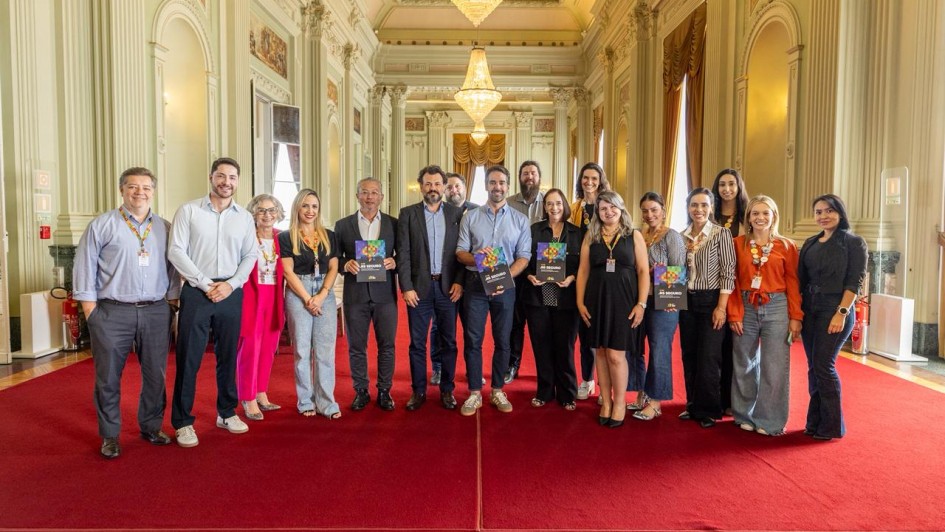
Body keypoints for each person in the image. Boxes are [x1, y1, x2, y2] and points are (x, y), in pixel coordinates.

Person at [73, 167, 180, 458]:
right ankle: (109, 435)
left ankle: (151, 426)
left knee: (156, 375)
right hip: (111, 312)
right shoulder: (103, 225)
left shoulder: (165, 227)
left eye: (146, 187)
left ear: (153, 192)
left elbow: (173, 270)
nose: (140, 192)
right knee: (108, 378)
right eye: (133, 187)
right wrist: (91, 311)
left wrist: (171, 304)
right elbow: (85, 266)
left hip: (156, 311)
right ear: (122, 190)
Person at [168, 157, 257, 447]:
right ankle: (182, 421)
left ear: (237, 181)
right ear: (211, 177)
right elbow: (176, 251)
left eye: (232, 177)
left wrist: (230, 285)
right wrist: (206, 284)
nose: (226, 182)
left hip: (231, 292)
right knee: (189, 357)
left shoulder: (244, 217)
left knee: (228, 356)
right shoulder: (189, 211)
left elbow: (250, 256)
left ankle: (227, 411)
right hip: (197, 290)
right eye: (221, 176)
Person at [455, 164, 531, 416]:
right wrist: (475, 256)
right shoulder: (471, 217)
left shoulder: (520, 220)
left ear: (507, 187)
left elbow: (524, 256)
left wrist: (505, 276)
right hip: (476, 285)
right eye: (492, 183)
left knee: (503, 339)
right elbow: (460, 252)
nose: (497, 187)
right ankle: (475, 392)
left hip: (505, 286)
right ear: (486, 186)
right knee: (473, 339)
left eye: (501, 183)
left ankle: (498, 389)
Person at [727, 195, 803, 436]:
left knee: (775, 365)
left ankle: (770, 420)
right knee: (744, 361)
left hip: (777, 305)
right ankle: (743, 414)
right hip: (746, 304)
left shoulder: (786, 246)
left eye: (765, 213)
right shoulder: (737, 243)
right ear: (748, 218)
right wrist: (734, 313)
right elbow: (732, 281)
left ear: (773, 217)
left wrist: (795, 316)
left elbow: (793, 282)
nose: (760, 218)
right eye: (755, 213)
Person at [576, 191, 649, 428]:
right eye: (603, 208)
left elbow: (643, 271)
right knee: (600, 352)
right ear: (598, 211)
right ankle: (605, 401)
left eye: (612, 207)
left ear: (621, 208)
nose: (608, 212)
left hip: (624, 302)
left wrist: (641, 304)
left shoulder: (633, 235)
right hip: (596, 300)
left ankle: (619, 402)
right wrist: (579, 302)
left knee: (616, 355)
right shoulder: (591, 235)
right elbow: (583, 271)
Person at [798, 194, 867, 441]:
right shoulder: (810, 243)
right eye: (818, 211)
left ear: (840, 212)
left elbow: (854, 281)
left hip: (835, 310)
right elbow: (801, 280)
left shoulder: (853, 242)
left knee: (824, 366)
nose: (823, 216)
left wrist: (841, 312)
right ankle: (814, 421)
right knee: (813, 367)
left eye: (829, 211)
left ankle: (831, 426)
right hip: (810, 310)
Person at [397, 165, 465, 411]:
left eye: (437, 184)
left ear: (444, 187)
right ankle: (418, 391)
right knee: (417, 343)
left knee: (449, 341)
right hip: (419, 290)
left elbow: (461, 252)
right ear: (421, 186)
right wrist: (406, 287)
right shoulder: (408, 214)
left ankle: (447, 390)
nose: (433, 188)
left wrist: (459, 281)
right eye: (428, 184)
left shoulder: (457, 214)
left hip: (448, 288)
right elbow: (403, 253)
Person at [335, 177, 399, 411]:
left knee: (387, 345)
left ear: (381, 197)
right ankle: (361, 390)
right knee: (356, 346)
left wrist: (396, 261)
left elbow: (404, 256)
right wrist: (346, 264)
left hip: (385, 296)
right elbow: (334, 258)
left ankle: (384, 390)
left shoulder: (394, 224)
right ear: (357, 196)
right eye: (364, 192)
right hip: (356, 295)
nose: (369, 197)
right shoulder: (343, 225)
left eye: (374, 192)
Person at [279, 189, 341, 419]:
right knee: (302, 351)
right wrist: (307, 299)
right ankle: (305, 401)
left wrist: (323, 294)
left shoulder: (329, 235)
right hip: (298, 292)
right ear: (297, 207)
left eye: (314, 206)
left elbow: (334, 267)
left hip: (324, 291)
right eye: (305, 206)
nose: (310, 211)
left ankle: (327, 402)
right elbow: (287, 271)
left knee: (325, 351)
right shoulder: (286, 237)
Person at [678, 187, 736, 428]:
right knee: (689, 354)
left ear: (711, 207)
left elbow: (728, 272)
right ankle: (692, 404)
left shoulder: (721, 234)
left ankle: (710, 409)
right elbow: (677, 270)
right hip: (686, 301)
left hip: (712, 300)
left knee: (710, 356)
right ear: (688, 208)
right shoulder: (681, 236)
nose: (698, 210)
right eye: (694, 205)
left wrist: (721, 307)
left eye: (703, 205)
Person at [523, 188, 581, 410]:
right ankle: (545, 391)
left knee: (564, 347)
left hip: (566, 297)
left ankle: (567, 393)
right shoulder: (534, 230)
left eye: (557, 203)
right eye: (549, 204)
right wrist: (529, 274)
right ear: (544, 207)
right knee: (542, 346)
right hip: (538, 296)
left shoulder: (577, 233)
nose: (554, 208)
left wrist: (571, 278)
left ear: (564, 205)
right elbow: (524, 256)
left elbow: (583, 265)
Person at [630, 192, 686, 421]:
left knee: (659, 348)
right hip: (640, 299)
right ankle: (642, 392)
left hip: (665, 302)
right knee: (635, 348)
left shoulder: (671, 236)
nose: (649, 214)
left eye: (654, 209)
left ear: (663, 210)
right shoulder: (639, 235)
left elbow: (678, 268)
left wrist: (671, 297)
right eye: (645, 210)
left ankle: (655, 401)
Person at [237, 194, 286, 421]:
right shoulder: (245, 237)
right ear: (253, 214)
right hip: (251, 296)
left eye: (272, 210)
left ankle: (261, 391)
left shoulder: (281, 238)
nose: (267, 215)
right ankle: (247, 396)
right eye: (262, 210)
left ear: (278, 213)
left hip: (274, 296)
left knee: (268, 346)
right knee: (250, 347)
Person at [569, 162, 610, 401]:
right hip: (579, 273)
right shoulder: (575, 207)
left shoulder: (608, 206)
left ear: (600, 180)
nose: (589, 182)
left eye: (594, 178)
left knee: (604, 334)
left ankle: (608, 386)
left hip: (604, 275)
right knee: (584, 333)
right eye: (585, 178)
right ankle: (587, 379)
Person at [712, 168, 750, 417]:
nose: (726, 189)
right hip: (713, 288)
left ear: (738, 187)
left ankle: (737, 402)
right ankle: (717, 397)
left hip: (741, 288)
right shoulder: (709, 215)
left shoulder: (748, 216)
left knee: (739, 348)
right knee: (717, 347)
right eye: (722, 184)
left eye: (731, 184)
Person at [506, 160, 545, 383]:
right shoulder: (509, 203)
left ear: (539, 177)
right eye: (525, 173)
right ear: (519, 178)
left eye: (533, 173)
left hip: (543, 275)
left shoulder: (549, 202)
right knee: (514, 323)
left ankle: (544, 369)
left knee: (541, 324)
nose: (529, 177)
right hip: (515, 272)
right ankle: (512, 364)